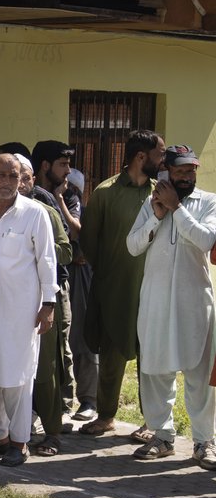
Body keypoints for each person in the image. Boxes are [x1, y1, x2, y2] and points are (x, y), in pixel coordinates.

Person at [125, 145, 216, 465]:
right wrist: (157, 216)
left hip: (195, 301)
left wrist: (177, 209)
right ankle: (162, 436)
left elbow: (206, 240)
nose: (187, 177)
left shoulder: (208, 202)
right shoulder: (152, 204)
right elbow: (133, 246)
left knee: (200, 374)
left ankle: (205, 441)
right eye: (180, 172)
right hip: (156, 300)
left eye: (191, 171)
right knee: (155, 370)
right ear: (166, 173)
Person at [77, 130, 164, 439]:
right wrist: (110, 272)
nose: (163, 160)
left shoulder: (161, 192)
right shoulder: (105, 192)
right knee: (111, 352)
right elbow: (89, 239)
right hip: (113, 288)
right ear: (141, 157)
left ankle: (151, 421)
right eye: (159, 155)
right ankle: (105, 415)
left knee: (151, 358)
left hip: (153, 289)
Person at [0, 154, 57, 467]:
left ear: (22, 179)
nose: (7, 183)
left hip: (21, 311)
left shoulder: (34, 213)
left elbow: (47, 261)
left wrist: (48, 304)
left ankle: (20, 441)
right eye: (1, 175)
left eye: (13, 176)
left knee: (18, 378)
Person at [17, 155, 73, 457]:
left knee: (45, 370)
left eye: (24, 177)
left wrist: (35, 248)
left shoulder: (46, 212)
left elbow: (66, 251)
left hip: (41, 301)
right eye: (12, 176)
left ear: (32, 180)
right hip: (5, 302)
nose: (19, 184)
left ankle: (52, 432)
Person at [34, 140, 93, 420]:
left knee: (62, 345)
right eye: (63, 164)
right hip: (26, 286)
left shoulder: (68, 197)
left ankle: (63, 407)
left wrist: (59, 201)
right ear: (45, 166)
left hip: (58, 283)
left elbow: (73, 236)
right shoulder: (30, 196)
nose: (68, 171)